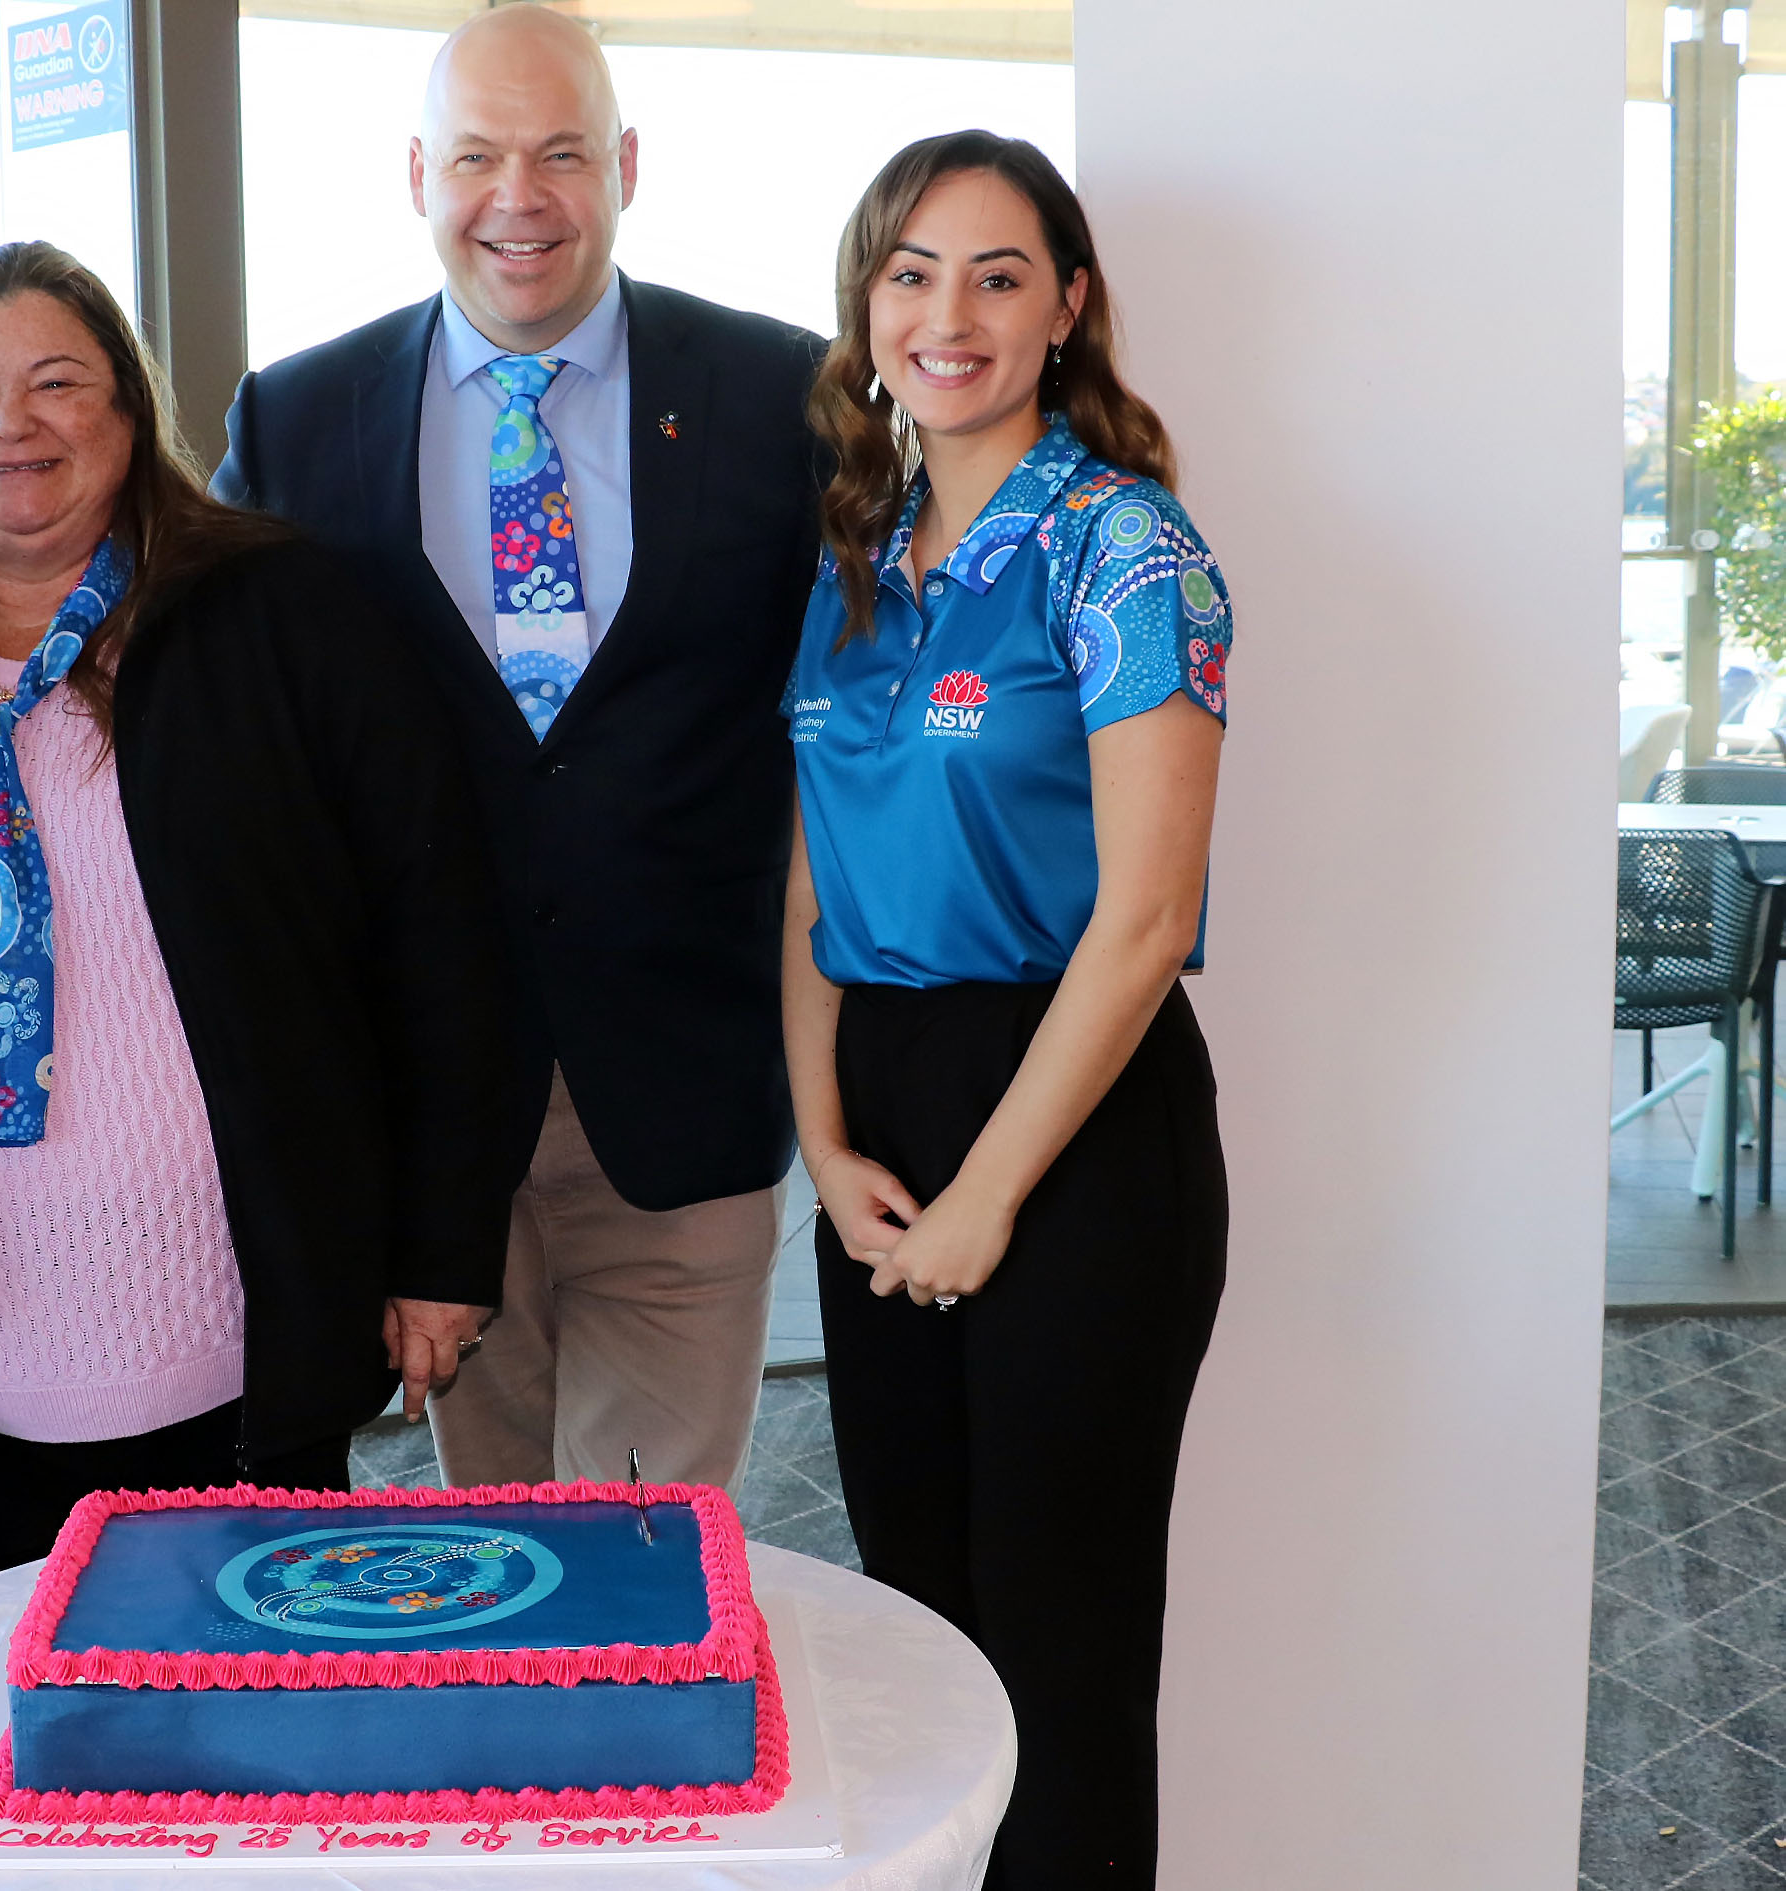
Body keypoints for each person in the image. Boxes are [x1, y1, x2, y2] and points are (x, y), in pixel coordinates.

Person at [0, 241, 511, 1588]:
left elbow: (438, 932)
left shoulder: (277, 614)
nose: (11, 423)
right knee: (39, 1709)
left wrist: (440, 1250)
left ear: (126, 412)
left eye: (57, 383)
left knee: (267, 1692)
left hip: (237, 1306)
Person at [211, 2, 823, 1495]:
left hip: (680, 1099)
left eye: (559, 152)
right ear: (416, 173)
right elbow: (226, 731)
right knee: (495, 1561)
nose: (518, 196)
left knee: (651, 1553)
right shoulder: (295, 423)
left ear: (622, 164)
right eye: (477, 154)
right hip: (428, 1128)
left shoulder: (779, 396)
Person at [782, 131, 1231, 1889]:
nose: (945, 314)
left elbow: (1146, 918)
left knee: (1059, 1639)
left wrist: (989, 1195)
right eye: (908, 273)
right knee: (914, 1627)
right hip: (878, 1107)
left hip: (1076, 1117)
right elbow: (810, 883)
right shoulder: (852, 554)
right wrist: (821, 1142)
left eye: (993, 274)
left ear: (1068, 307)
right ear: (865, 307)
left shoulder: (1127, 550)